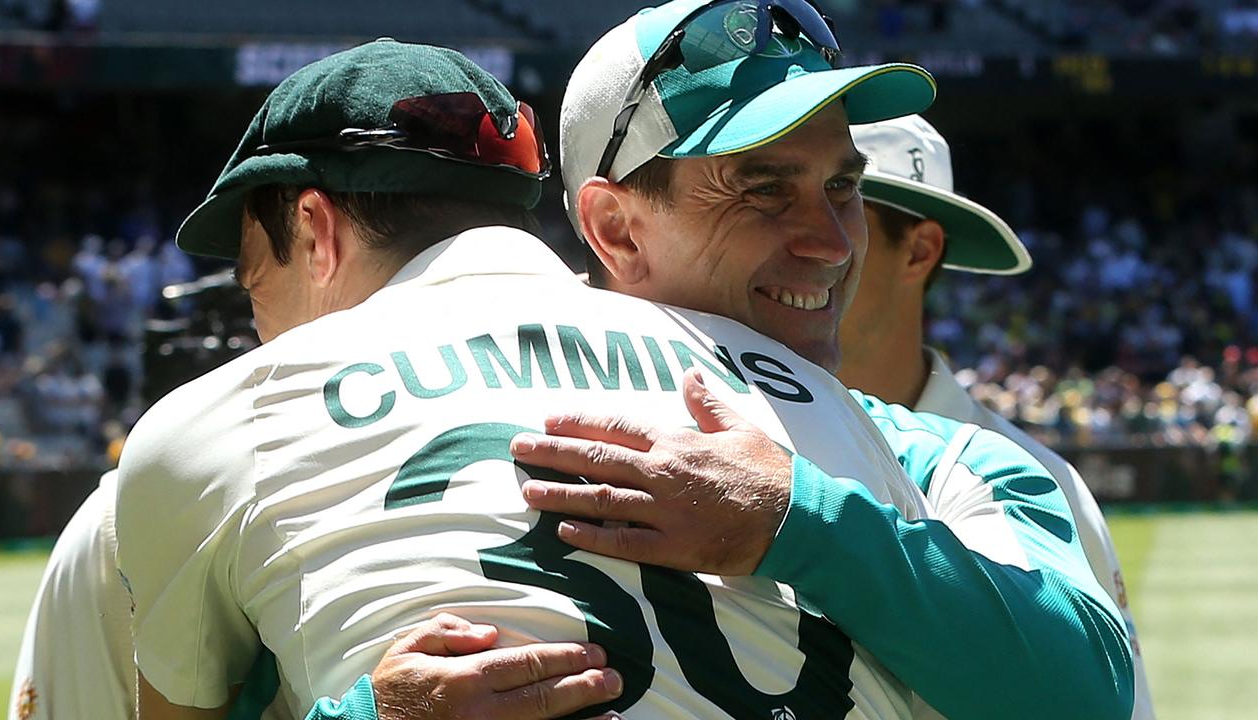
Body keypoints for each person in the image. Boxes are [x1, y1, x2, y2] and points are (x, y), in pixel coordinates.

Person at [114, 34, 950, 720]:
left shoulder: (225, 415)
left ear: (314, 230)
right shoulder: (791, 382)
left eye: (256, 284)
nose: (257, 326)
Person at [835, 113, 1156, 719]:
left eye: (841, 201)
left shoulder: (1041, 480)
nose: (806, 239)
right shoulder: (731, 431)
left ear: (921, 250)